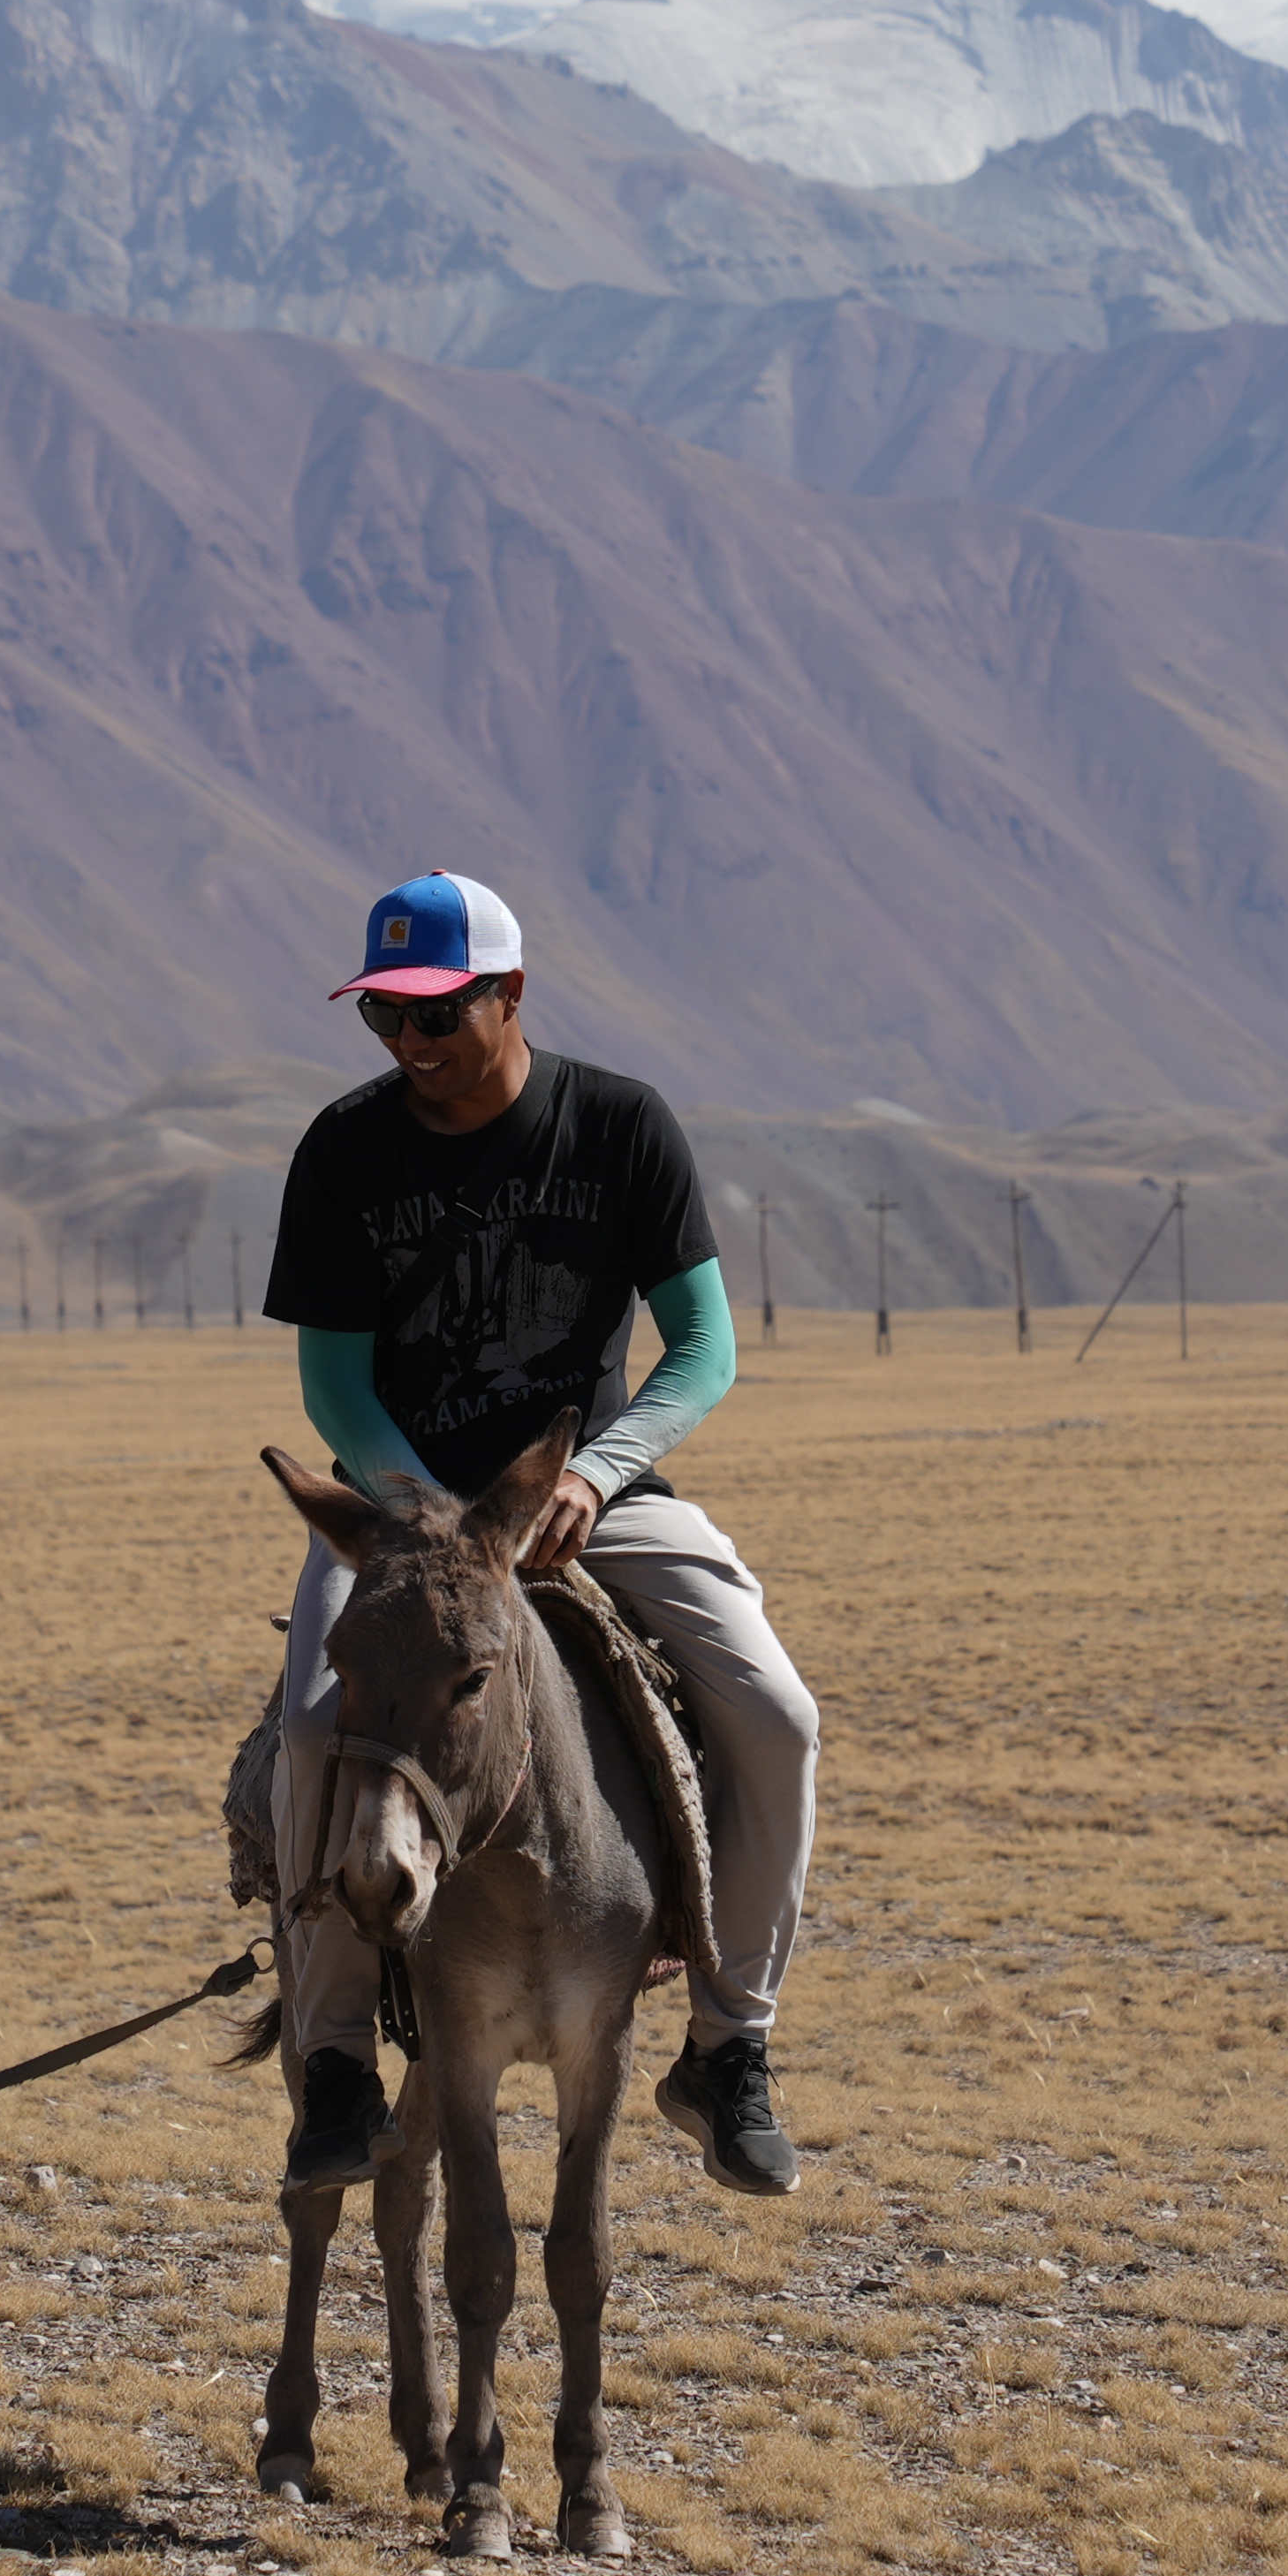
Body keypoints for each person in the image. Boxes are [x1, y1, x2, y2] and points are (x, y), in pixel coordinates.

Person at [258, 868, 815, 2198]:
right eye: (383, 1017)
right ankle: (334, 2063)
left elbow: (705, 1351)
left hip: (586, 1507)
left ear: (510, 996)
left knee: (775, 1711)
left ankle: (729, 2049)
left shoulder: (620, 1128)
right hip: (403, 1520)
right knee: (308, 1731)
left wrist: (600, 1476)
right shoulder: (343, 1151)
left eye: (437, 1015)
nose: (409, 1045)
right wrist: (428, 1523)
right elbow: (334, 1383)